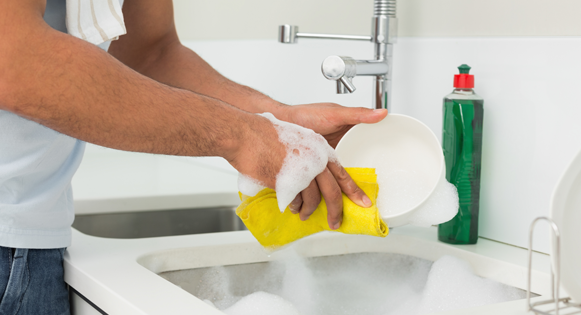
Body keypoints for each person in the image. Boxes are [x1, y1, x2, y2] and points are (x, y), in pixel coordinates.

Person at [0, 0, 387, 313]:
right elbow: (12, 58)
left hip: (29, 242)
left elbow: (150, 51)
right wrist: (241, 136)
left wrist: (274, 119)